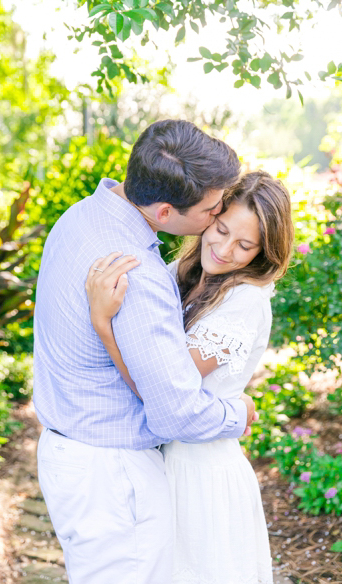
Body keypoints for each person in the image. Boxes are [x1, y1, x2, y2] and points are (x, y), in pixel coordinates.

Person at [33, 119, 256, 584]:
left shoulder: (80, 217)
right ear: (165, 211)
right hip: (112, 476)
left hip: (70, 454)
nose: (217, 220)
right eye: (213, 209)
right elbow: (175, 412)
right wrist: (238, 413)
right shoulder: (138, 274)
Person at [85, 170, 294, 584]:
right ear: (209, 217)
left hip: (202, 476)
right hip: (162, 460)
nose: (224, 248)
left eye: (245, 245)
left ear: (264, 253)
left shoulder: (245, 299)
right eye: (220, 229)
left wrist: (102, 324)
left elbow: (160, 383)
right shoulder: (183, 270)